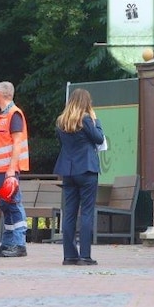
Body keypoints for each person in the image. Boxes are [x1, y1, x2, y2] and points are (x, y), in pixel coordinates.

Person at [54, 88, 105, 266]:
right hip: (87, 169)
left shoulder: (61, 121)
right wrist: (96, 121)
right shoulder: (86, 119)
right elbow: (99, 139)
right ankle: (85, 255)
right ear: (87, 103)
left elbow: (62, 144)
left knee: (69, 213)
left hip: (68, 171)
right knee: (86, 213)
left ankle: (69, 255)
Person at [0, 81, 30, 258]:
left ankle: (20, 245)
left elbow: (17, 144)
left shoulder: (14, 115)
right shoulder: (1, 117)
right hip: (0, 170)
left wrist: (12, 169)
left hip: (8, 171)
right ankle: (8, 243)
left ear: (0, 94)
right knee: (6, 207)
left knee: (14, 205)